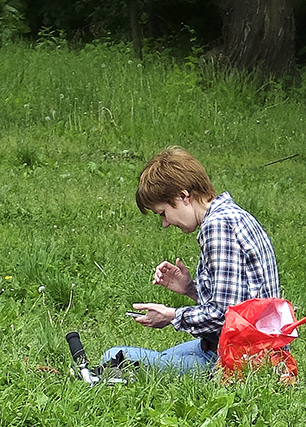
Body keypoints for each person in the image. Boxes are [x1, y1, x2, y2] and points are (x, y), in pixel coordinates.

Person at [101, 146, 280, 374]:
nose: (165, 223)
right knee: (157, 359)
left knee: (116, 357)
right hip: (237, 347)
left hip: (240, 360)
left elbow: (223, 316)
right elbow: (238, 302)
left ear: (184, 196)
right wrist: (190, 289)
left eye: (163, 213)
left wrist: (172, 316)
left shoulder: (218, 227)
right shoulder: (232, 215)